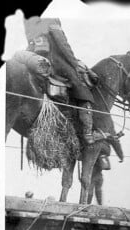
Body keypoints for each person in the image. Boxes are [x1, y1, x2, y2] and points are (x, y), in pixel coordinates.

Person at [24, 16, 99, 145]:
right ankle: (87, 132)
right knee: (83, 91)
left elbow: (31, 45)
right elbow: (63, 45)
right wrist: (75, 64)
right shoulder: (52, 21)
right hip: (56, 63)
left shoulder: (31, 23)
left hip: (38, 60)